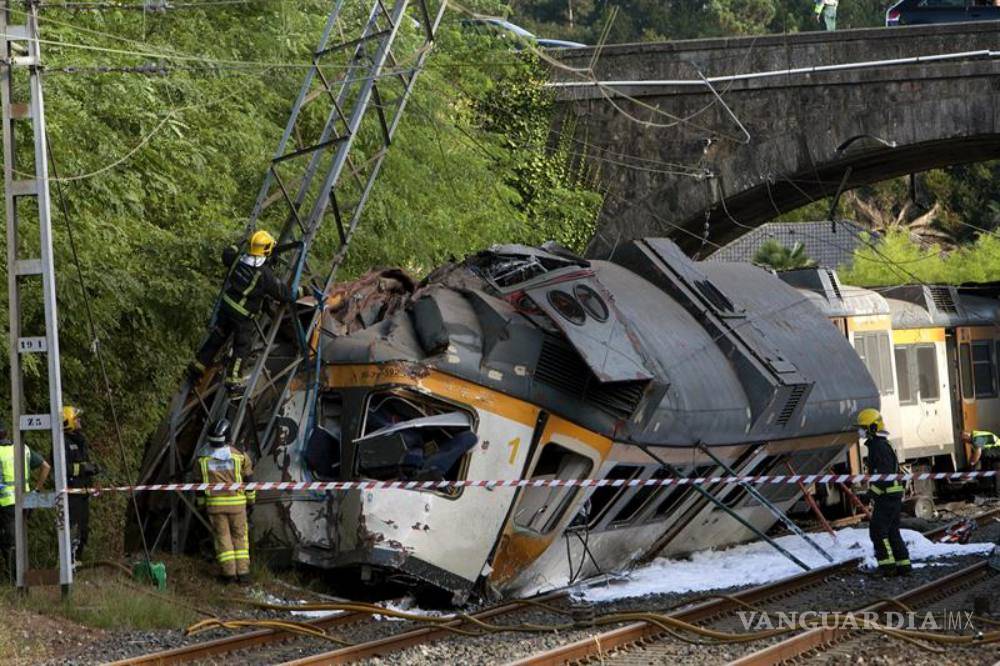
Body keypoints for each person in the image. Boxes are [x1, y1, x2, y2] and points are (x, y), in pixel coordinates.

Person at [189, 230, 306, 392]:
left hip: (226, 308)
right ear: (265, 249)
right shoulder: (263, 274)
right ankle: (233, 380)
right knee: (242, 347)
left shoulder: (238, 259)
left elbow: (227, 253)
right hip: (242, 316)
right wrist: (303, 291)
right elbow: (284, 294)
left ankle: (197, 367)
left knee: (217, 337)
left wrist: (238, 245)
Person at [195, 419, 255, 584]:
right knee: (240, 537)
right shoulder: (240, 456)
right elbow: (249, 480)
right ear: (228, 436)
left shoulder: (202, 458)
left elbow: (198, 486)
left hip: (214, 506)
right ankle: (243, 574)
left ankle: (228, 574)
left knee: (222, 538)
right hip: (237, 504)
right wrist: (251, 501)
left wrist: (201, 504)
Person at [856, 408, 911, 577]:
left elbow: (883, 477)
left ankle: (887, 567)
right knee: (892, 531)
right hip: (891, 496)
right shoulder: (880, 445)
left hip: (886, 496)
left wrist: (870, 494)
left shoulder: (878, 447)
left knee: (878, 531)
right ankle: (903, 565)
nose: (861, 432)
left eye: (863, 428)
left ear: (873, 428)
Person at [0, 421, 51, 582]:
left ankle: (16, 581)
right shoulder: (23, 449)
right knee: (16, 541)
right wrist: (36, 490)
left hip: (6, 504)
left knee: (10, 543)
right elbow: (46, 466)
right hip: (26, 502)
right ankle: (17, 579)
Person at [62, 405, 99, 563]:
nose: (79, 421)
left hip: (83, 492)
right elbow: (64, 468)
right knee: (72, 529)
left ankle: (78, 560)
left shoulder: (80, 440)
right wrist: (85, 468)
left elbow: (85, 463)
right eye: (76, 418)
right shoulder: (62, 443)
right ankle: (69, 562)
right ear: (69, 421)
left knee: (84, 530)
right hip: (72, 492)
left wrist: (92, 469)